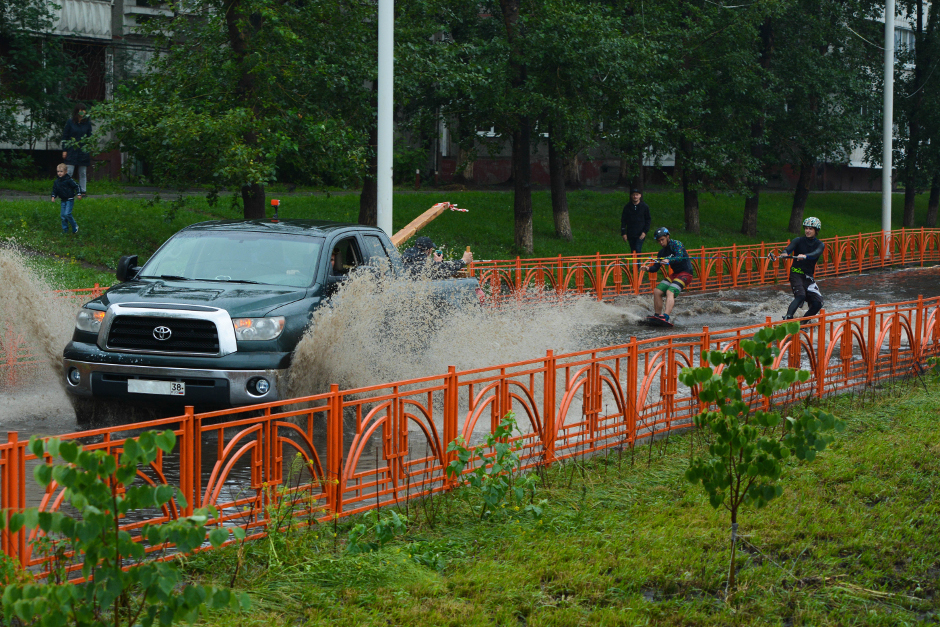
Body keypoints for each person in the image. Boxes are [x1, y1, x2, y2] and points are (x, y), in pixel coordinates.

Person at [779, 217, 825, 321]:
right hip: (796, 274)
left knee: (818, 303)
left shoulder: (819, 245)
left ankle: (803, 323)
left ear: (816, 231)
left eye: (811, 229)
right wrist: (785, 253)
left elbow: (816, 253)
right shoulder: (798, 240)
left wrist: (805, 256)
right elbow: (788, 249)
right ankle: (788, 318)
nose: (808, 231)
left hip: (808, 277)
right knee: (800, 296)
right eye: (806, 228)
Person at [644, 227, 693, 323]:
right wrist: (648, 268)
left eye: (662, 239)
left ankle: (665, 316)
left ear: (667, 237)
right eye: (659, 241)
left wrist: (669, 260)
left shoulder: (677, 244)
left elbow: (679, 257)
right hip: (675, 274)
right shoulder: (662, 252)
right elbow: (656, 267)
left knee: (670, 291)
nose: (661, 242)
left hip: (686, 273)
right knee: (657, 291)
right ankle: (657, 315)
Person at [403, 235, 473, 278]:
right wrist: (464, 260)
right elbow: (445, 270)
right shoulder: (423, 262)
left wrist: (436, 263)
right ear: (429, 250)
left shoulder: (405, 256)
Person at [62, 103, 92, 195]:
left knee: (82, 172)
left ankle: (83, 191)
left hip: (83, 150)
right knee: (69, 171)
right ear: (77, 111)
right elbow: (65, 136)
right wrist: (64, 150)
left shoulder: (87, 123)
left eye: (84, 110)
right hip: (71, 150)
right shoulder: (70, 122)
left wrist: (89, 147)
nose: (83, 112)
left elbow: (89, 136)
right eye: (80, 110)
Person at [51, 163, 82, 234]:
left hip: (69, 199)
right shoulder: (57, 182)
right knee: (63, 216)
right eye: (58, 171)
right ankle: (65, 229)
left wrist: (79, 194)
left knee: (67, 214)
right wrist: (53, 196)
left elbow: (77, 186)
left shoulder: (69, 180)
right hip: (63, 200)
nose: (59, 173)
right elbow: (54, 190)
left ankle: (75, 226)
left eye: (61, 171)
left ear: (66, 172)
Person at [620, 188, 651, 253]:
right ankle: (635, 263)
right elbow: (623, 220)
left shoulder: (644, 207)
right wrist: (623, 233)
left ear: (640, 195)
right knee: (633, 250)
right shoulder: (627, 207)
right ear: (631, 196)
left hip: (640, 233)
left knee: (638, 249)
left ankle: (638, 263)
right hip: (631, 233)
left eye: (637, 195)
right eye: (633, 195)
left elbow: (648, 220)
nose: (635, 196)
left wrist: (645, 232)